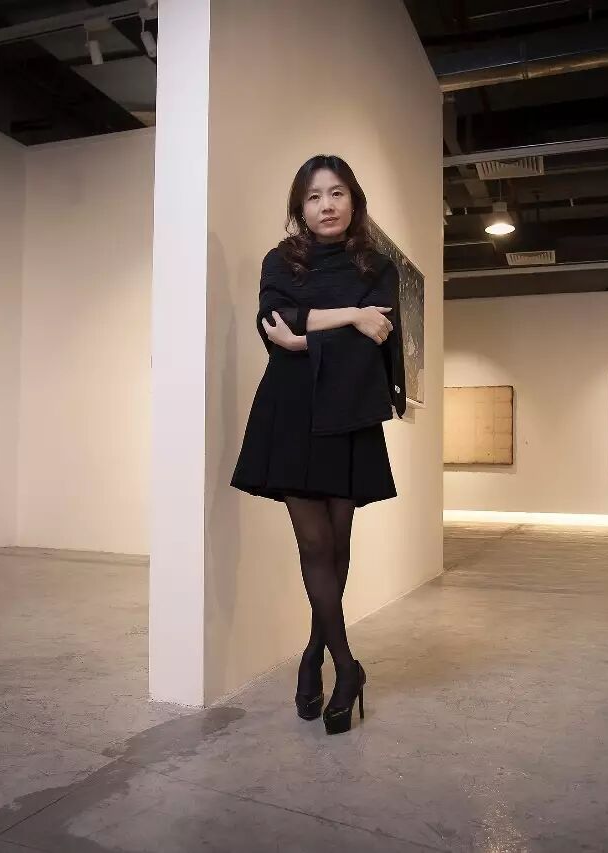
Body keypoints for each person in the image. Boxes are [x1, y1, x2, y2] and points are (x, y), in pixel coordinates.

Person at [230, 154, 407, 735]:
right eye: (313, 196)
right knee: (314, 542)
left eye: (336, 193)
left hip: (348, 410)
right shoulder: (281, 260)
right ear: (299, 207)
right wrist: (351, 315)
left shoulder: (377, 266)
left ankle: (313, 655)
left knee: (337, 544)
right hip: (292, 411)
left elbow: (372, 341)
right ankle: (347, 666)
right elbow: (275, 322)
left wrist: (307, 339)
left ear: (353, 200)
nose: (326, 205)